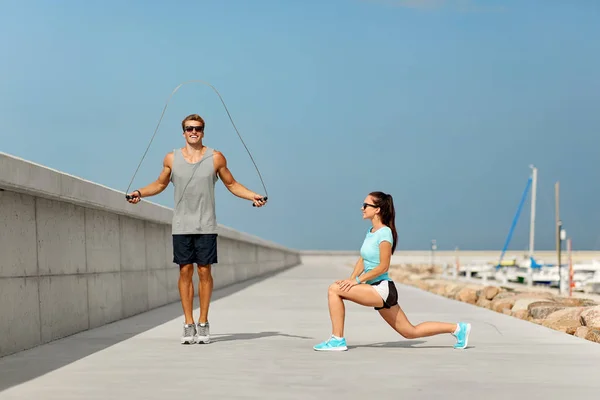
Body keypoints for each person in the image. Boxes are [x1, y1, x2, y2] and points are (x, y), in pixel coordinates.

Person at [126, 113, 267, 344]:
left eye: (198, 129)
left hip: (206, 224)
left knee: (204, 272)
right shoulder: (171, 158)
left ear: (203, 132)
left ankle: (203, 323)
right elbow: (160, 183)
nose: (194, 132)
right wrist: (139, 193)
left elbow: (231, 184)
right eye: (190, 128)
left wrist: (254, 195)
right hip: (182, 225)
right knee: (184, 272)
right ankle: (188, 323)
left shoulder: (216, 157)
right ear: (183, 132)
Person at [313, 191, 471, 351]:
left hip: (382, 289)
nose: (362, 208)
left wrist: (357, 281)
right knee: (410, 332)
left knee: (334, 290)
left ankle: (337, 340)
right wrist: (351, 279)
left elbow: (383, 267)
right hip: (374, 288)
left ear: (377, 209)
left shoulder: (385, 233)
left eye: (366, 205)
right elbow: (363, 259)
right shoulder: (371, 232)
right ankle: (458, 329)